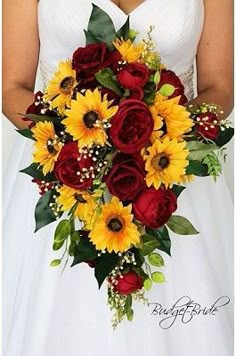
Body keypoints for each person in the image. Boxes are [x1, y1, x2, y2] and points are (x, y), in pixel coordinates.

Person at [2, 1, 234, 355]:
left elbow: (219, 88)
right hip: (65, 173)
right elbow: (12, 88)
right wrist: (76, 142)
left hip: (173, 173)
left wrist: (158, 137)